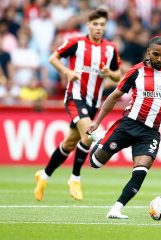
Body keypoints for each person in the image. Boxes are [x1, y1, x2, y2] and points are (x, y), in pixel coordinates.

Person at [86, 36, 161, 219]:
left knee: (141, 170)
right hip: (128, 125)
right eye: (155, 54)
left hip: (150, 133)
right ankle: (100, 138)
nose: (159, 58)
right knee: (95, 163)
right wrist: (97, 121)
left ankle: (116, 209)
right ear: (148, 52)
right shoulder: (136, 72)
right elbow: (114, 96)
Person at [34, 8, 121, 201]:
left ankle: (44, 176)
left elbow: (118, 75)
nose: (98, 28)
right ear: (88, 25)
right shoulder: (76, 43)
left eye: (102, 25)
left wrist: (109, 72)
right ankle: (75, 178)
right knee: (90, 134)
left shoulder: (110, 49)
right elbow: (53, 58)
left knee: (70, 143)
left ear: (106, 27)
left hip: (94, 102)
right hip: (75, 97)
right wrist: (67, 72)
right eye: (95, 24)